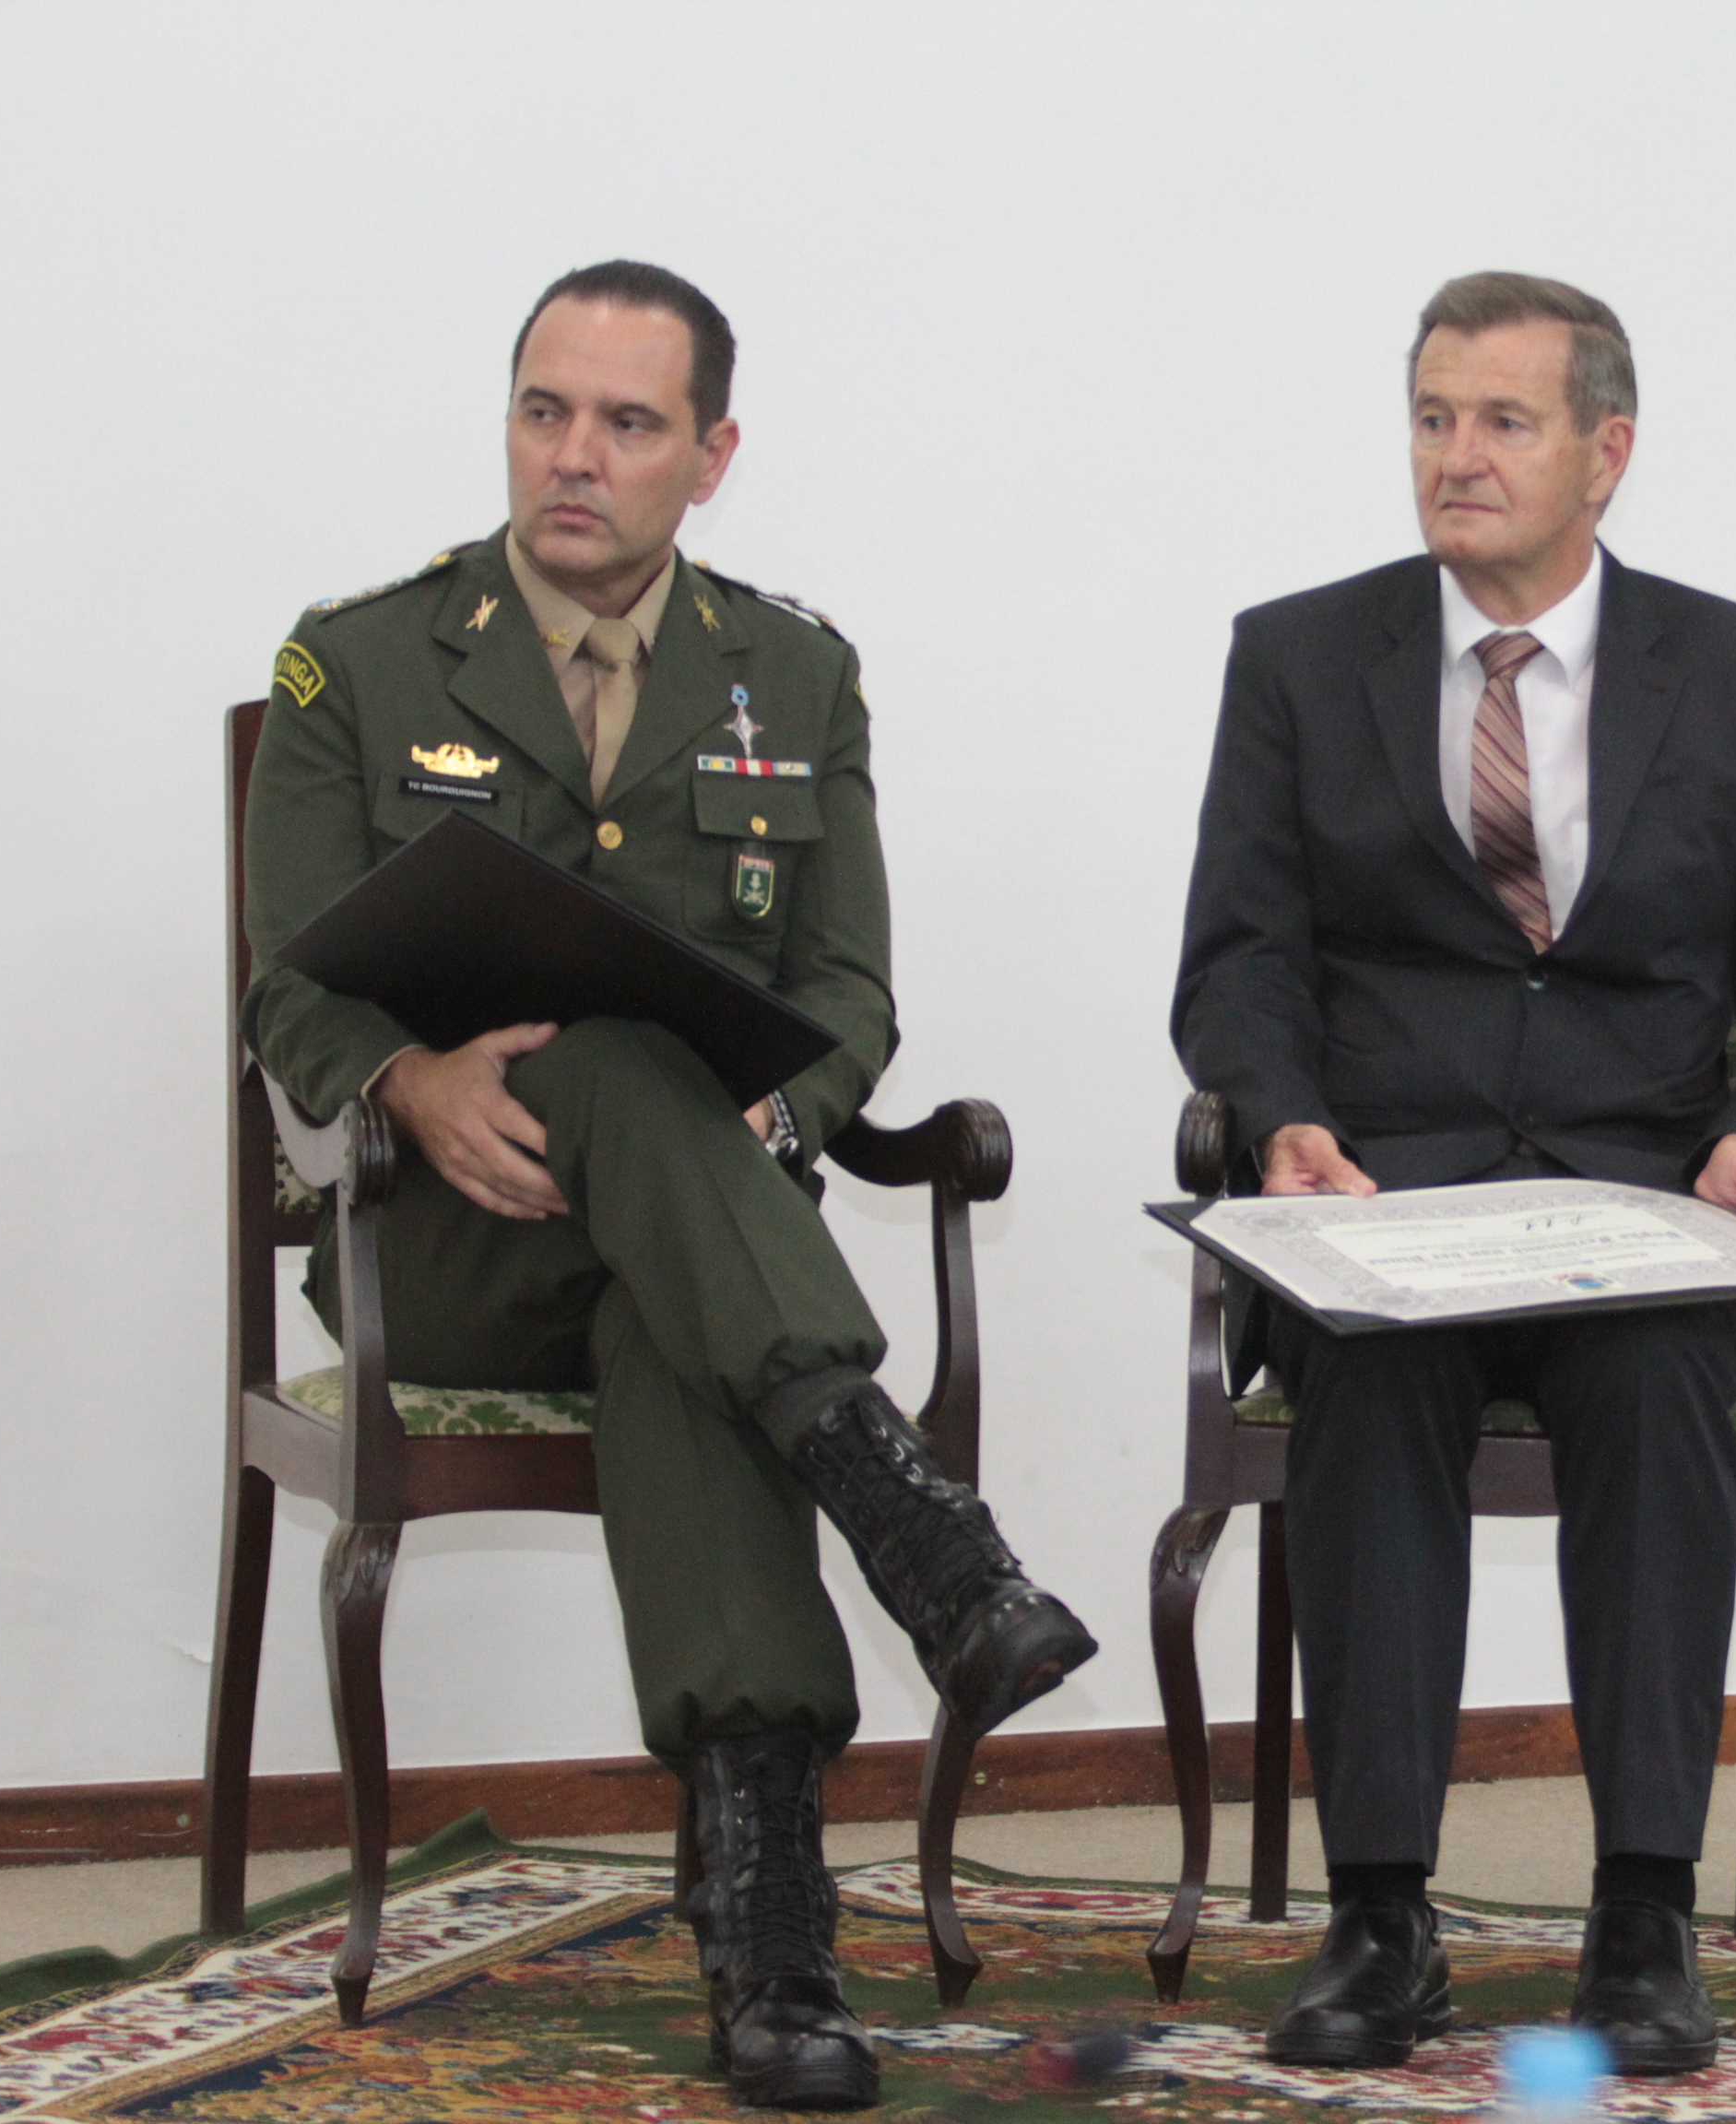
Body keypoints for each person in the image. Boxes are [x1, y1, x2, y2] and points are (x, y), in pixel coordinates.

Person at [242, 260, 1096, 2111]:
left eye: (628, 423)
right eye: (543, 410)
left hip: (690, 1259)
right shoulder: (357, 662)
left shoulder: (797, 672)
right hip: (450, 1245)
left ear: (711, 456)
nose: (575, 455)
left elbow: (848, 993)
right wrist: (412, 1082)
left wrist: (777, 1128)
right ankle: (920, 1536)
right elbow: (287, 989)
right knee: (620, 1068)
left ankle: (771, 1951)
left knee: (672, 1307)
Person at [1172, 272, 1736, 2073]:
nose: (1458, 455)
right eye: (1433, 418)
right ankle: (1381, 1917)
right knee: (1365, 1378)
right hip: (1390, 1199)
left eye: (1503, 421)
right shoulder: (1298, 655)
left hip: (1636, 1202)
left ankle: (1644, 1915)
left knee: (1657, 1383)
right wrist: (1282, 1118)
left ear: (1607, 451)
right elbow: (1239, 960)